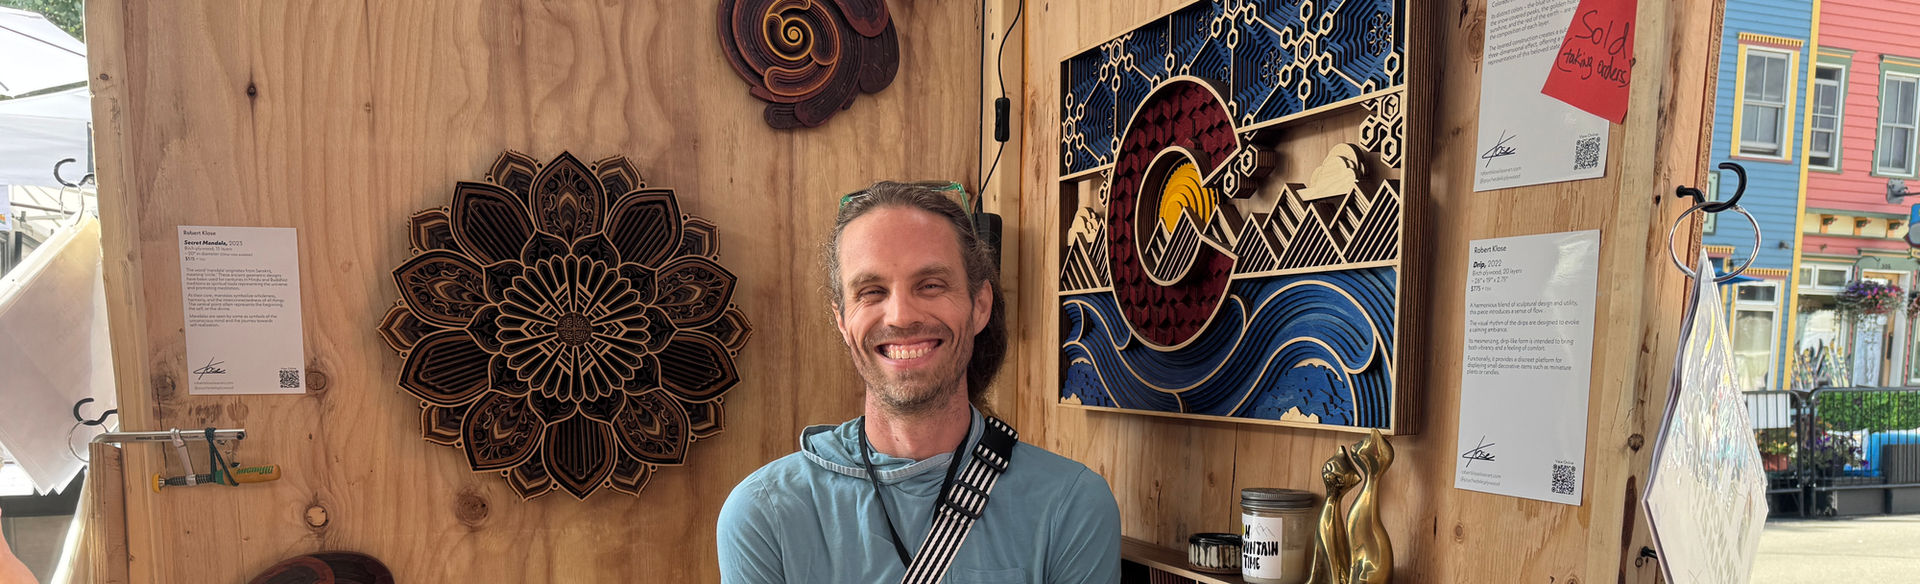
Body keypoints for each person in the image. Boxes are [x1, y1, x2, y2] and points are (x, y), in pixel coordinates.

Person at [717, 181, 1120, 583]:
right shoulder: (764, 514)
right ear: (842, 321)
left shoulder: (1071, 506)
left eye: (930, 285)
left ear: (979, 306)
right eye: (871, 291)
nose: (900, 316)